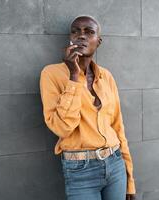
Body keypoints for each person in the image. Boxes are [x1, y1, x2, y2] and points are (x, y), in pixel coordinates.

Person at [39, 15, 136, 200]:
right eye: (76, 31)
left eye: (89, 32)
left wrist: (130, 178)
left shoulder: (106, 76)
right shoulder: (51, 74)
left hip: (115, 164)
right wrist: (74, 76)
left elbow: (118, 127)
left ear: (98, 41)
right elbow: (62, 127)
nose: (81, 36)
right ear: (70, 39)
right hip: (80, 170)